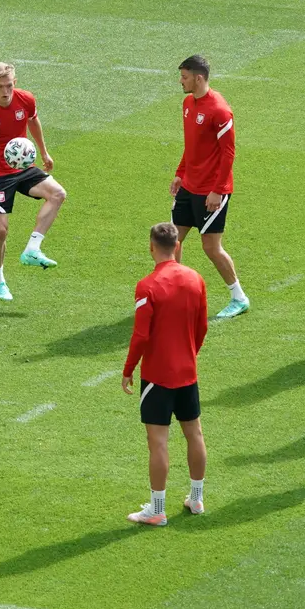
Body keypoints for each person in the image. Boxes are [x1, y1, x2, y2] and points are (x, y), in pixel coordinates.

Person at [122, 222, 208, 526]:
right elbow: (202, 327)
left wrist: (128, 369)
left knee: (158, 443)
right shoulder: (195, 279)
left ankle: (157, 509)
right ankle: (196, 499)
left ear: (151, 247)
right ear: (178, 246)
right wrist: (189, 353)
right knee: (194, 434)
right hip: (188, 372)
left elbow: (141, 335)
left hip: (158, 376)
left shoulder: (147, 286)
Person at [0, 62, 67, 301]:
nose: (6, 91)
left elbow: (33, 120)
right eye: (0, 87)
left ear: (15, 83)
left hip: (23, 168)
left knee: (58, 194)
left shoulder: (25, 99)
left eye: (9, 85)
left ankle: (33, 249)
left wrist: (44, 151)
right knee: (0, 231)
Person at [169, 55, 249, 319]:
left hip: (211, 191)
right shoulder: (187, 104)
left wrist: (218, 190)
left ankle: (239, 297)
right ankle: (175, 294)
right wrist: (181, 173)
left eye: (184, 77)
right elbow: (191, 144)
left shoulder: (219, 110)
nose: (181, 81)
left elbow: (228, 153)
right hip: (189, 186)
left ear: (198, 78)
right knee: (172, 240)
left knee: (211, 247)